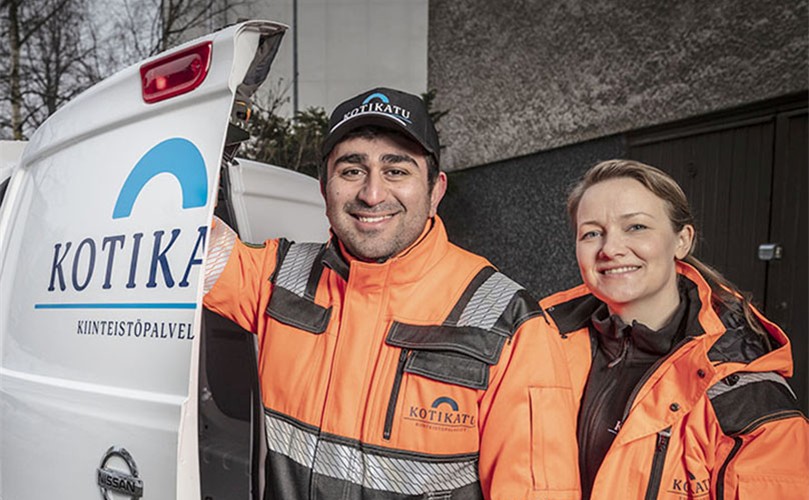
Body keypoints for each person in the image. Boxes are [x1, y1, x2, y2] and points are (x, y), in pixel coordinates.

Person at [203, 87, 579, 499]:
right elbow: (184, 243)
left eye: (396, 171)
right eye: (351, 171)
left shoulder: (510, 323)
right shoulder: (278, 275)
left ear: (435, 191)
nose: (372, 194)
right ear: (324, 189)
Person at [538, 159, 809, 499]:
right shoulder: (536, 346)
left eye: (636, 227)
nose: (610, 249)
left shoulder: (745, 394)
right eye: (592, 233)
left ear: (682, 240)